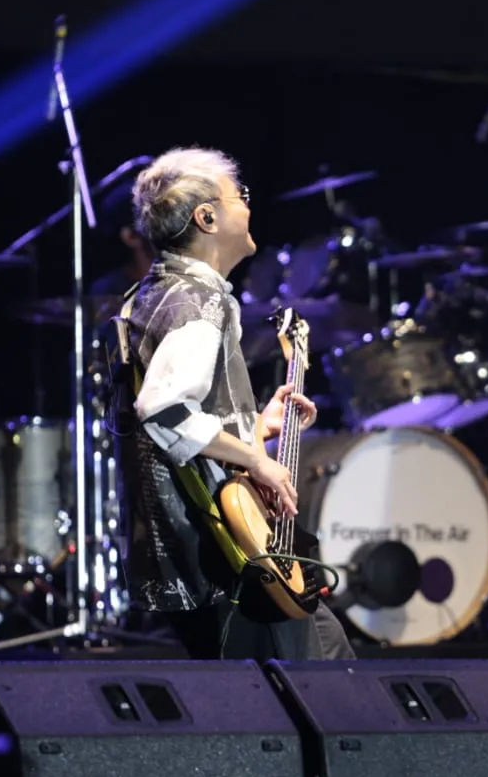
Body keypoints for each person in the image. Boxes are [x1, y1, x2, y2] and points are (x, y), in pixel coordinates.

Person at [111, 146, 354, 663]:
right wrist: (256, 461)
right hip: (222, 549)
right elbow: (164, 411)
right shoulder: (200, 300)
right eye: (239, 196)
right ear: (207, 217)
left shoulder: (154, 292)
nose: (248, 205)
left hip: (210, 545)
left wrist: (254, 426)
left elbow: (179, 415)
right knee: (299, 685)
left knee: (329, 653)